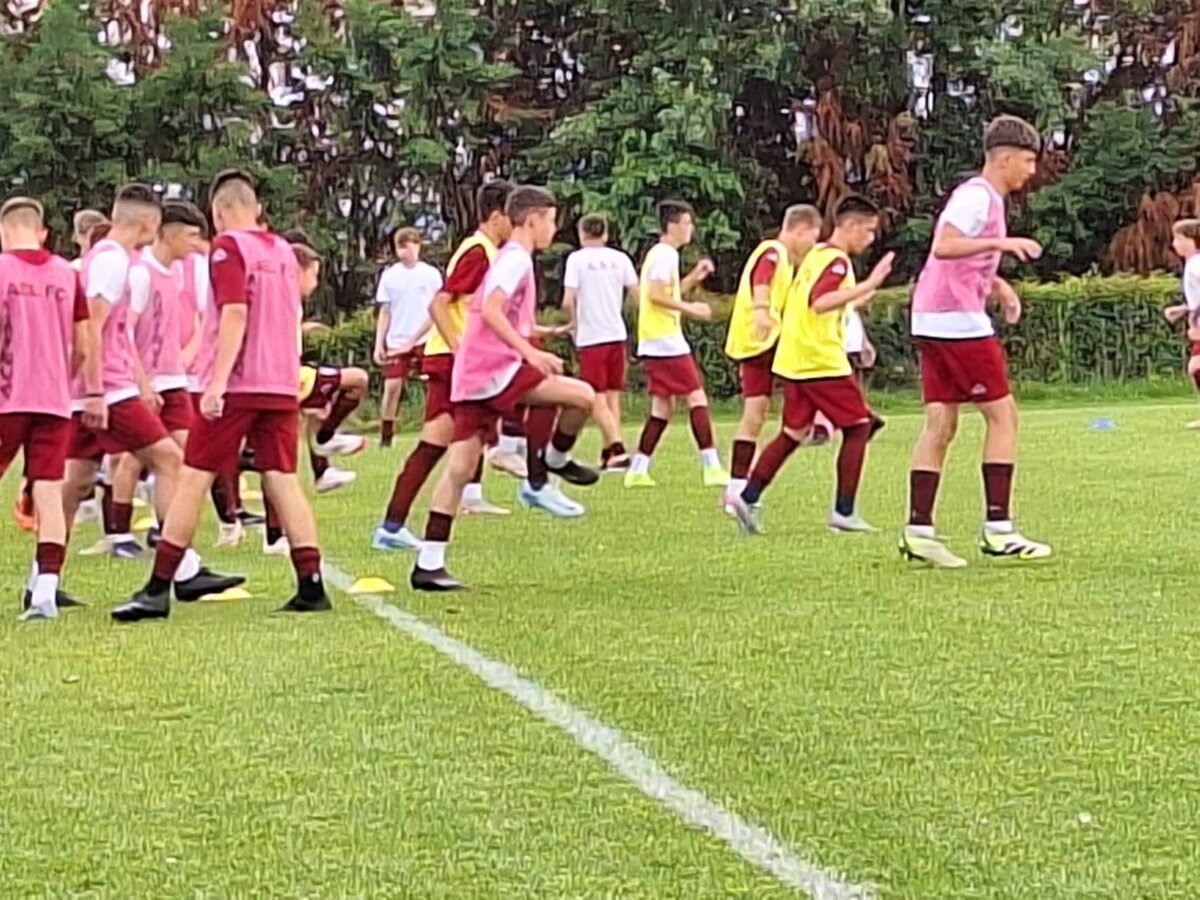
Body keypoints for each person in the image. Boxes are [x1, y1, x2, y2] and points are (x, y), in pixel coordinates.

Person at [113, 169, 328, 621]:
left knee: (193, 475)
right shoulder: (283, 251)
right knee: (282, 478)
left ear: (218, 212)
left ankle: (158, 587)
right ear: (256, 208)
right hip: (280, 381)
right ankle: (311, 582)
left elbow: (235, 313)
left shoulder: (229, 248)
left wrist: (217, 381)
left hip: (240, 383)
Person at [410, 186, 602, 591]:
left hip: (475, 374)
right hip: (494, 369)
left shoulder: (511, 258)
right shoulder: (515, 259)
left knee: (460, 468)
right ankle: (554, 459)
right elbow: (491, 309)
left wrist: (535, 337)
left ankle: (428, 563)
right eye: (551, 221)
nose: (554, 229)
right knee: (583, 396)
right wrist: (529, 353)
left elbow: (501, 314)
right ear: (532, 220)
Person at [900, 114, 1051, 568]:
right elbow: (944, 246)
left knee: (941, 424)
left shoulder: (985, 199)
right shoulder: (977, 197)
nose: (1031, 171)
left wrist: (998, 285)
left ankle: (918, 531)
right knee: (1003, 417)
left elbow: (962, 261)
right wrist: (1004, 245)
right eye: (1027, 161)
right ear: (1004, 159)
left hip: (931, 318)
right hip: (956, 323)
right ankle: (999, 529)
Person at [729, 195, 893, 535]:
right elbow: (820, 302)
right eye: (868, 230)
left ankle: (748, 496)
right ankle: (844, 511)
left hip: (794, 358)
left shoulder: (816, 255)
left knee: (794, 431)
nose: (870, 238)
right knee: (859, 427)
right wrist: (868, 284)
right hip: (819, 360)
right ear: (850, 225)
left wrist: (856, 298)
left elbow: (809, 302)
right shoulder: (837, 262)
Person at [372, 180, 515, 552]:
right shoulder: (478, 252)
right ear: (497, 216)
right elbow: (439, 304)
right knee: (497, 409)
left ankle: (394, 526)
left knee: (435, 444)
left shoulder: (488, 251)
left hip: (453, 359)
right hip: (453, 361)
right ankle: (511, 453)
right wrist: (461, 349)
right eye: (513, 216)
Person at [0, 197, 94, 619]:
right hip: (55, 400)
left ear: (4, 231)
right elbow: (83, 345)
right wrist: (61, 375)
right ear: (42, 232)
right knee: (48, 489)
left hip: (8, 396)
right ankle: (45, 589)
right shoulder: (66, 274)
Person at [106, 200, 209, 557]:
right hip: (144, 382)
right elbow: (124, 332)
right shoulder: (140, 273)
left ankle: (165, 534)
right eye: (191, 236)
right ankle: (120, 534)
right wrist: (142, 383)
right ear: (167, 233)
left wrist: (184, 356)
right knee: (135, 458)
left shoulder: (176, 271)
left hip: (172, 379)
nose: (196, 244)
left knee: (183, 456)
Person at [723, 204, 822, 507]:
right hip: (762, 340)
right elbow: (761, 280)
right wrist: (761, 311)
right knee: (761, 409)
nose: (813, 245)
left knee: (756, 413)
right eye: (813, 237)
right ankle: (820, 421)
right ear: (800, 230)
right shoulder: (773, 252)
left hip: (763, 342)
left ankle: (736, 487)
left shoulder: (787, 262)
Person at [625, 200, 726, 488]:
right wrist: (691, 309)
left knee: (662, 408)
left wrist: (694, 276)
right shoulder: (664, 255)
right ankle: (711, 467)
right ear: (672, 226)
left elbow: (668, 292)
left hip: (657, 338)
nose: (690, 228)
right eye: (687, 223)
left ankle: (638, 470)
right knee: (696, 397)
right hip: (665, 340)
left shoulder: (663, 255)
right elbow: (656, 296)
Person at [561, 213, 636, 471]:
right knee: (612, 396)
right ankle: (609, 453)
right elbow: (636, 293)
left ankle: (617, 447)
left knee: (595, 397)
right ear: (604, 233)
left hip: (592, 336)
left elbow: (568, 299)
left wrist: (573, 324)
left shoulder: (576, 260)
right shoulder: (620, 258)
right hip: (616, 332)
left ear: (582, 234)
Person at [374, 226, 441, 448]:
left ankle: (433, 432)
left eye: (410, 246)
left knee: (434, 386)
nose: (405, 252)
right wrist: (379, 343)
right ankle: (386, 435)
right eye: (401, 247)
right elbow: (385, 311)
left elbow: (437, 310)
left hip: (425, 339)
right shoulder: (390, 276)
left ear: (418, 246)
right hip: (397, 339)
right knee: (392, 387)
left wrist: (415, 339)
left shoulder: (431, 275)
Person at [1162, 218, 1200, 429]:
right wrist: (1183, 310)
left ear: (1191, 240)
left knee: (1196, 367)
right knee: (1195, 368)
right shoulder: (1192, 264)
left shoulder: (1196, 264)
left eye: (1178, 238)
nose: (1174, 243)